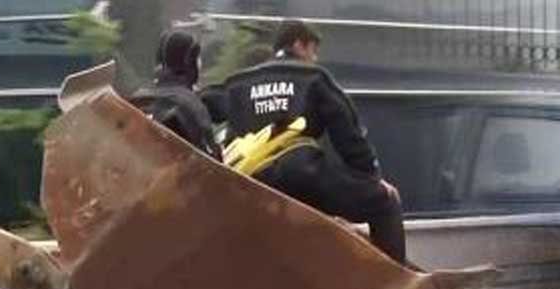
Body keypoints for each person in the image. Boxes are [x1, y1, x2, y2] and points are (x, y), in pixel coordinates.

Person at [202, 19, 406, 264]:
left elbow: (202, 106)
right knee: (386, 203)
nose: (314, 58)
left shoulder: (239, 83)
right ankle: (397, 283)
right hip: (302, 175)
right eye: (312, 50)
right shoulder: (313, 77)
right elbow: (348, 135)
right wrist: (370, 178)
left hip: (251, 184)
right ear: (298, 45)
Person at [129, 30, 221, 160]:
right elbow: (213, 163)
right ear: (191, 62)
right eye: (198, 58)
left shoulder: (138, 99)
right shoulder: (190, 104)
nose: (200, 64)